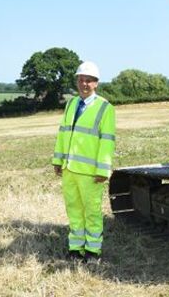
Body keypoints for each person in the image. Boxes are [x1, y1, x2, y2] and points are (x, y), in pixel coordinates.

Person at [52, 61, 116, 262]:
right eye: (81, 80)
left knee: (92, 212)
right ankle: (75, 249)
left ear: (96, 83)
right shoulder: (71, 104)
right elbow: (63, 133)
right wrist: (57, 159)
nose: (84, 84)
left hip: (90, 173)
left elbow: (107, 142)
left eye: (89, 80)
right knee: (73, 209)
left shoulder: (105, 108)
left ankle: (92, 252)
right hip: (69, 169)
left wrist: (103, 170)